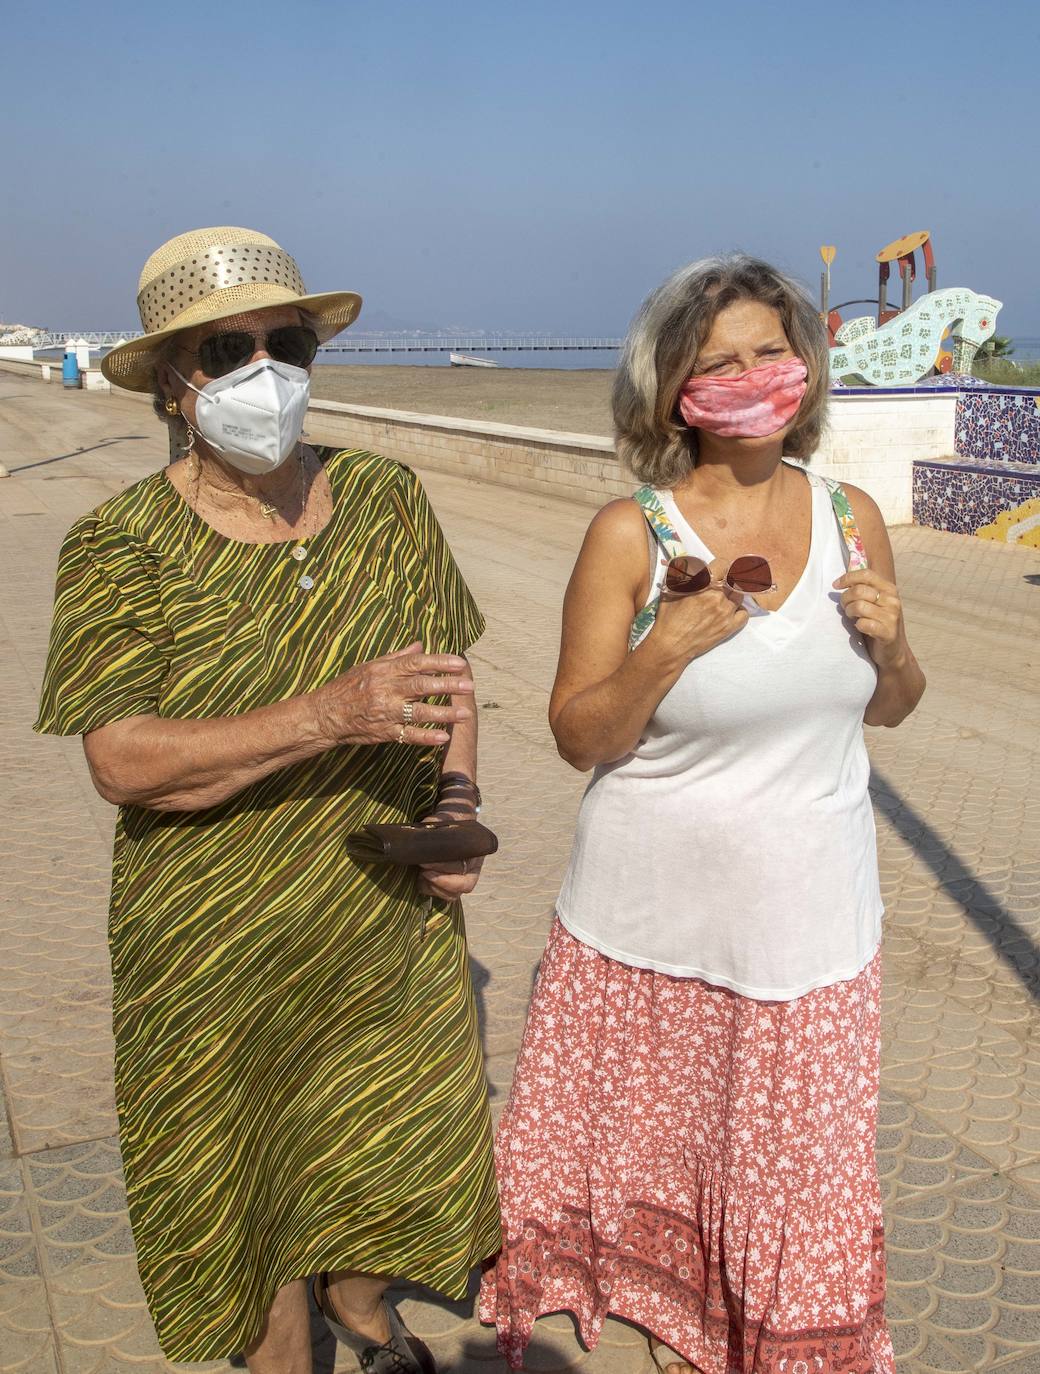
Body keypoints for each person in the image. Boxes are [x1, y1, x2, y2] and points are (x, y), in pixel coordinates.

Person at [35, 226, 500, 1374]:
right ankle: (284, 1348)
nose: (263, 371)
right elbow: (120, 761)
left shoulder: (385, 497)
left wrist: (456, 805)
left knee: (374, 1135)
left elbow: (449, 681)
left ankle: (359, 1301)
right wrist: (325, 716)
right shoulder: (118, 544)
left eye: (283, 341)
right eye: (224, 349)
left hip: (380, 925)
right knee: (238, 1177)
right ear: (171, 384)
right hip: (210, 942)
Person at [480, 255, 925, 1374]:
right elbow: (581, 735)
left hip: (808, 946)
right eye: (714, 361)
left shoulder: (851, 517)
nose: (748, 376)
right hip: (643, 944)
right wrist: (662, 654)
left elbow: (894, 710)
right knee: (657, 1204)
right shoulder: (630, 534)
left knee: (798, 1212)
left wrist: (895, 645)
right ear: (670, 389)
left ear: (804, 364)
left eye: (767, 351)